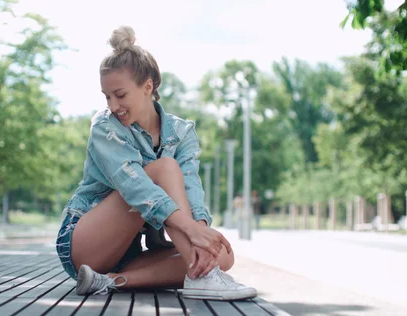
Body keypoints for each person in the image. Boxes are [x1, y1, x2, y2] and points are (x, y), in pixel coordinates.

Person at [55, 26, 257, 301]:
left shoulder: (182, 132)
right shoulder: (105, 128)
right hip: (84, 242)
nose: (113, 105)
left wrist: (200, 227)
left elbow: (191, 185)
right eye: (107, 96)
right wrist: (191, 230)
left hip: (128, 255)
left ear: (147, 87)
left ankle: (110, 282)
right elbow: (135, 187)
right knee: (165, 168)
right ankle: (204, 280)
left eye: (120, 94)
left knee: (221, 255)